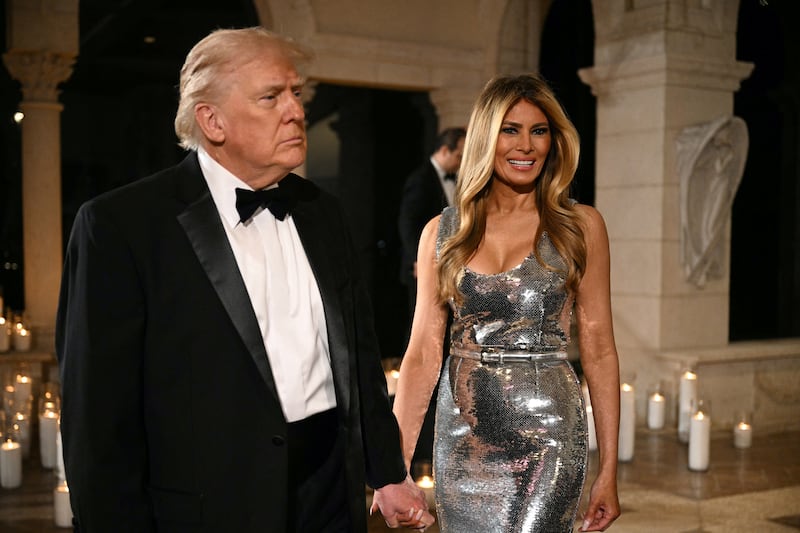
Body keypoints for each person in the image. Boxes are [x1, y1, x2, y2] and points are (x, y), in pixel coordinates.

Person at [55, 27, 433, 533]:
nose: (295, 111)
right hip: (209, 506)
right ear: (212, 120)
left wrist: (386, 472)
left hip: (330, 497)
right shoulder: (122, 226)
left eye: (295, 92)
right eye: (271, 97)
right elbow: (97, 419)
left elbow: (358, 356)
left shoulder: (324, 213)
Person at [392, 74, 621, 532]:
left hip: (549, 436)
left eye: (539, 131)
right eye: (510, 130)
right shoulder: (442, 232)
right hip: (461, 435)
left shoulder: (580, 226)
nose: (527, 145)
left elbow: (598, 349)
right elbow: (421, 353)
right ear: (485, 137)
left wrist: (609, 470)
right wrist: (393, 466)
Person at [397, 127, 466, 317]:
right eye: (459, 156)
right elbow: (408, 224)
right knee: (421, 322)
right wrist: (418, 260)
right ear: (445, 151)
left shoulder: (457, 179)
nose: (461, 162)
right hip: (423, 265)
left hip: (447, 263)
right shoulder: (421, 179)